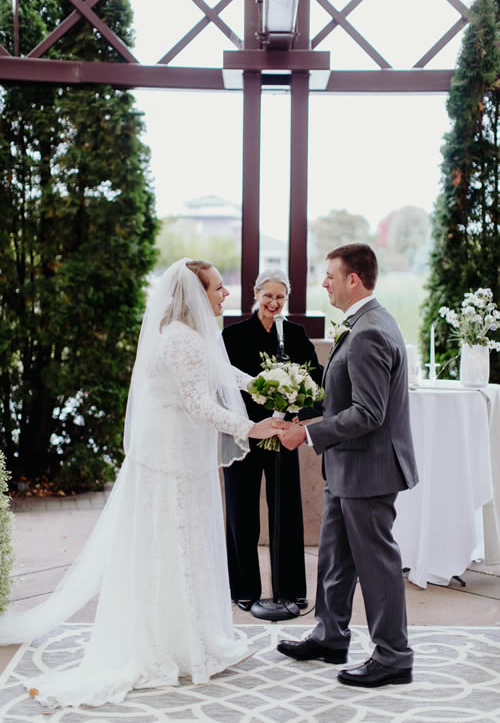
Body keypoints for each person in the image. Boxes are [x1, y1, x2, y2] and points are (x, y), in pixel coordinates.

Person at [0, 258, 283, 708]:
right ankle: (177, 643)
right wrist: (254, 428)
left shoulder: (189, 337)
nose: (224, 294)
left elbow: (222, 373)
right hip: (172, 461)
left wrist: (270, 386)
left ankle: (193, 635)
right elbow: (198, 405)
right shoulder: (180, 341)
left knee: (183, 543)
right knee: (173, 543)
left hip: (181, 457)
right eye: (216, 288)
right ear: (194, 293)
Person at [276, 244, 419, 688]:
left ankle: (394, 656)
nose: (324, 284)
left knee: (377, 563)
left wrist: (309, 434)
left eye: (330, 276)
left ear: (353, 279)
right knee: (334, 557)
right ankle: (330, 634)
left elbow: (368, 413)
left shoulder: (370, 331)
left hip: (369, 469)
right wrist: (307, 411)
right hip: (347, 466)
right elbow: (347, 396)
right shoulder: (365, 323)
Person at [222, 269, 322, 611]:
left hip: (282, 437)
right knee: (241, 513)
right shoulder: (232, 335)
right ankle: (243, 589)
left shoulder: (295, 334)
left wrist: (299, 413)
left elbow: (317, 382)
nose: (273, 303)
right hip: (244, 434)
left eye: (280, 297)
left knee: (287, 512)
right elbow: (221, 386)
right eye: (268, 296)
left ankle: (291, 589)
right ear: (255, 293)